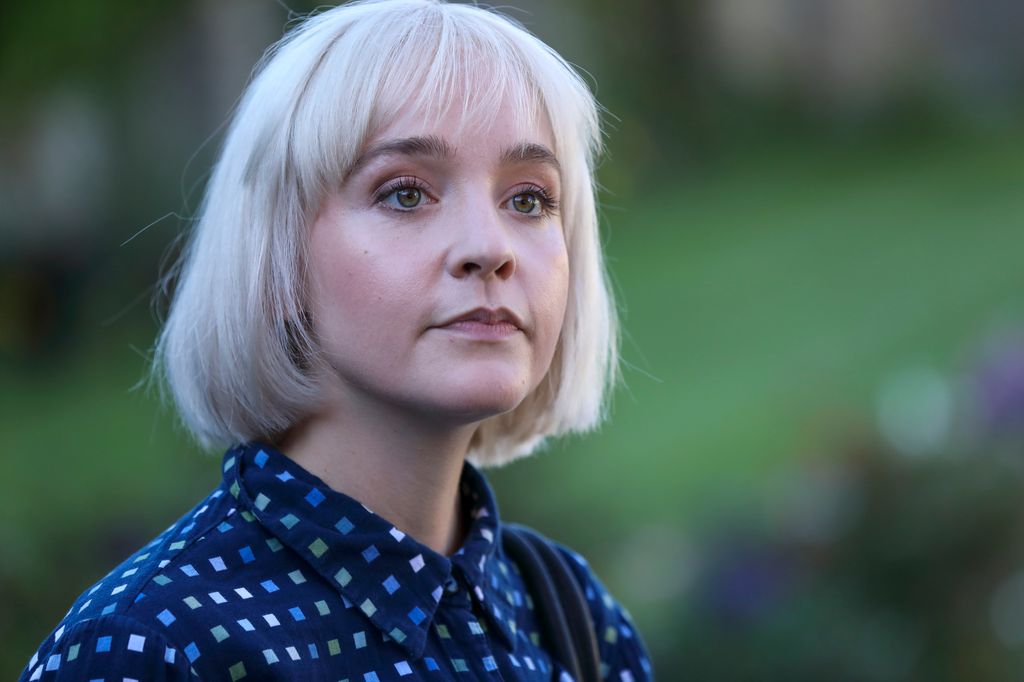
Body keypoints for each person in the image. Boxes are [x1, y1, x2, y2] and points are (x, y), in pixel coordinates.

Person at [19, 0, 653, 679]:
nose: (489, 248)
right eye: (406, 193)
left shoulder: (572, 619)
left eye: (528, 198)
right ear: (280, 259)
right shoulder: (152, 649)